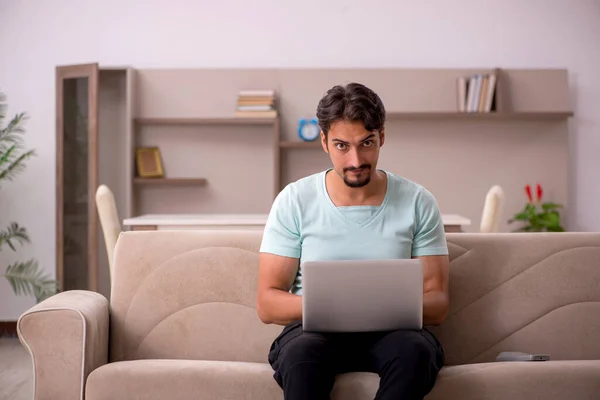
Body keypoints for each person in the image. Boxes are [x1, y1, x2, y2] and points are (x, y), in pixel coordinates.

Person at [256, 82, 449, 400]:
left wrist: (374, 308)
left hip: (394, 334)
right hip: (314, 333)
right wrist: (335, 308)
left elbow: (438, 303)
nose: (355, 159)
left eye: (367, 143)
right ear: (324, 141)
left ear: (382, 136)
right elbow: (267, 302)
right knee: (300, 356)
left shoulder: (418, 201)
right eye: (342, 146)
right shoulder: (295, 200)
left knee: (416, 352)